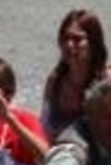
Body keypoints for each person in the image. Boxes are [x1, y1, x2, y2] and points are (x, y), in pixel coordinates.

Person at [41, 9, 111, 141]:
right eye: (64, 38)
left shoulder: (107, 82)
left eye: (77, 39)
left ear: (94, 43)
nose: (69, 44)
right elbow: (43, 130)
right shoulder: (55, 82)